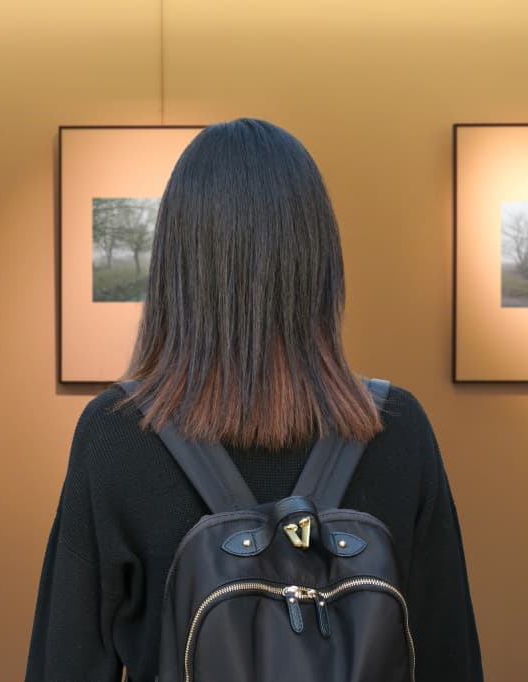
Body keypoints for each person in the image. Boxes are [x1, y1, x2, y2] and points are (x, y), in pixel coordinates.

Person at [25, 118, 482, 681]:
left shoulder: (118, 434)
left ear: (176, 265)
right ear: (321, 263)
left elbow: (65, 664)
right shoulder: (396, 427)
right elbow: (448, 656)